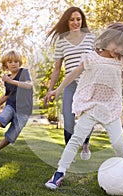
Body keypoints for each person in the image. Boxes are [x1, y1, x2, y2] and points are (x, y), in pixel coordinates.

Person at [44, 22, 123, 190]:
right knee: (76, 138)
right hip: (92, 105)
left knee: (118, 143)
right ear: (108, 39)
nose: (119, 49)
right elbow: (72, 74)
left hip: (111, 107)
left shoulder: (120, 62)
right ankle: (59, 173)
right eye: (117, 44)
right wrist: (57, 90)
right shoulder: (91, 56)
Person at [45, 7, 95, 160]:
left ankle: (85, 143)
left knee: (88, 116)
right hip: (70, 83)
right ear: (67, 22)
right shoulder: (61, 42)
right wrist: (51, 89)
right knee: (68, 116)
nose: (75, 22)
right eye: (72, 19)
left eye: (78, 19)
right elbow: (57, 69)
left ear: (82, 20)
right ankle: (70, 150)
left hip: (88, 83)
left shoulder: (91, 38)